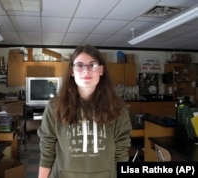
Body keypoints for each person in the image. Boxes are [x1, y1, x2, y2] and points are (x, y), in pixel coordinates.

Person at [37, 45, 132, 178]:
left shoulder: (117, 108)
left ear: (101, 70)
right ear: (72, 71)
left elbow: (121, 151)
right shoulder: (54, 107)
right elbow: (47, 149)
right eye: (80, 65)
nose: (86, 70)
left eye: (92, 65)